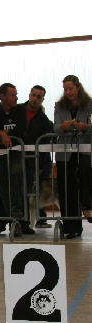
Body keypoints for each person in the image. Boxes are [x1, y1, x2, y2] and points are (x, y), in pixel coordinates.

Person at [0, 83, 34, 236]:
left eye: (16, 94)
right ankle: (2, 221)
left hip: (16, 153)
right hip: (1, 155)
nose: (16, 97)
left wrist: (5, 134)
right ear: (2, 96)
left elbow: (22, 129)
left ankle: (21, 222)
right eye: (12, 95)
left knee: (18, 185)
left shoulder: (20, 110)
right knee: (3, 187)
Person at [54, 75, 92, 239]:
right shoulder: (59, 106)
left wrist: (86, 127)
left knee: (85, 182)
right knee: (66, 189)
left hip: (84, 151)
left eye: (70, 88)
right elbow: (54, 128)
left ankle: (88, 209)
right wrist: (63, 126)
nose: (68, 92)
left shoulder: (89, 104)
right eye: (65, 89)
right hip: (65, 153)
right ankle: (71, 226)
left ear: (78, 87)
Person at [21, 85, 53, 228]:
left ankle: (41, 218)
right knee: (20, 190)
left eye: (39, 97)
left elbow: (46, 145)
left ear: (42, 99)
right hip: (19, 159)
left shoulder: (44, 120)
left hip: (39, 161)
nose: (35, 99)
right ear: (29, 95)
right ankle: (19, 220)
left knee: (39, 190)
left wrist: (42, 165)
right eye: (33, 95)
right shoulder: (17, 111)